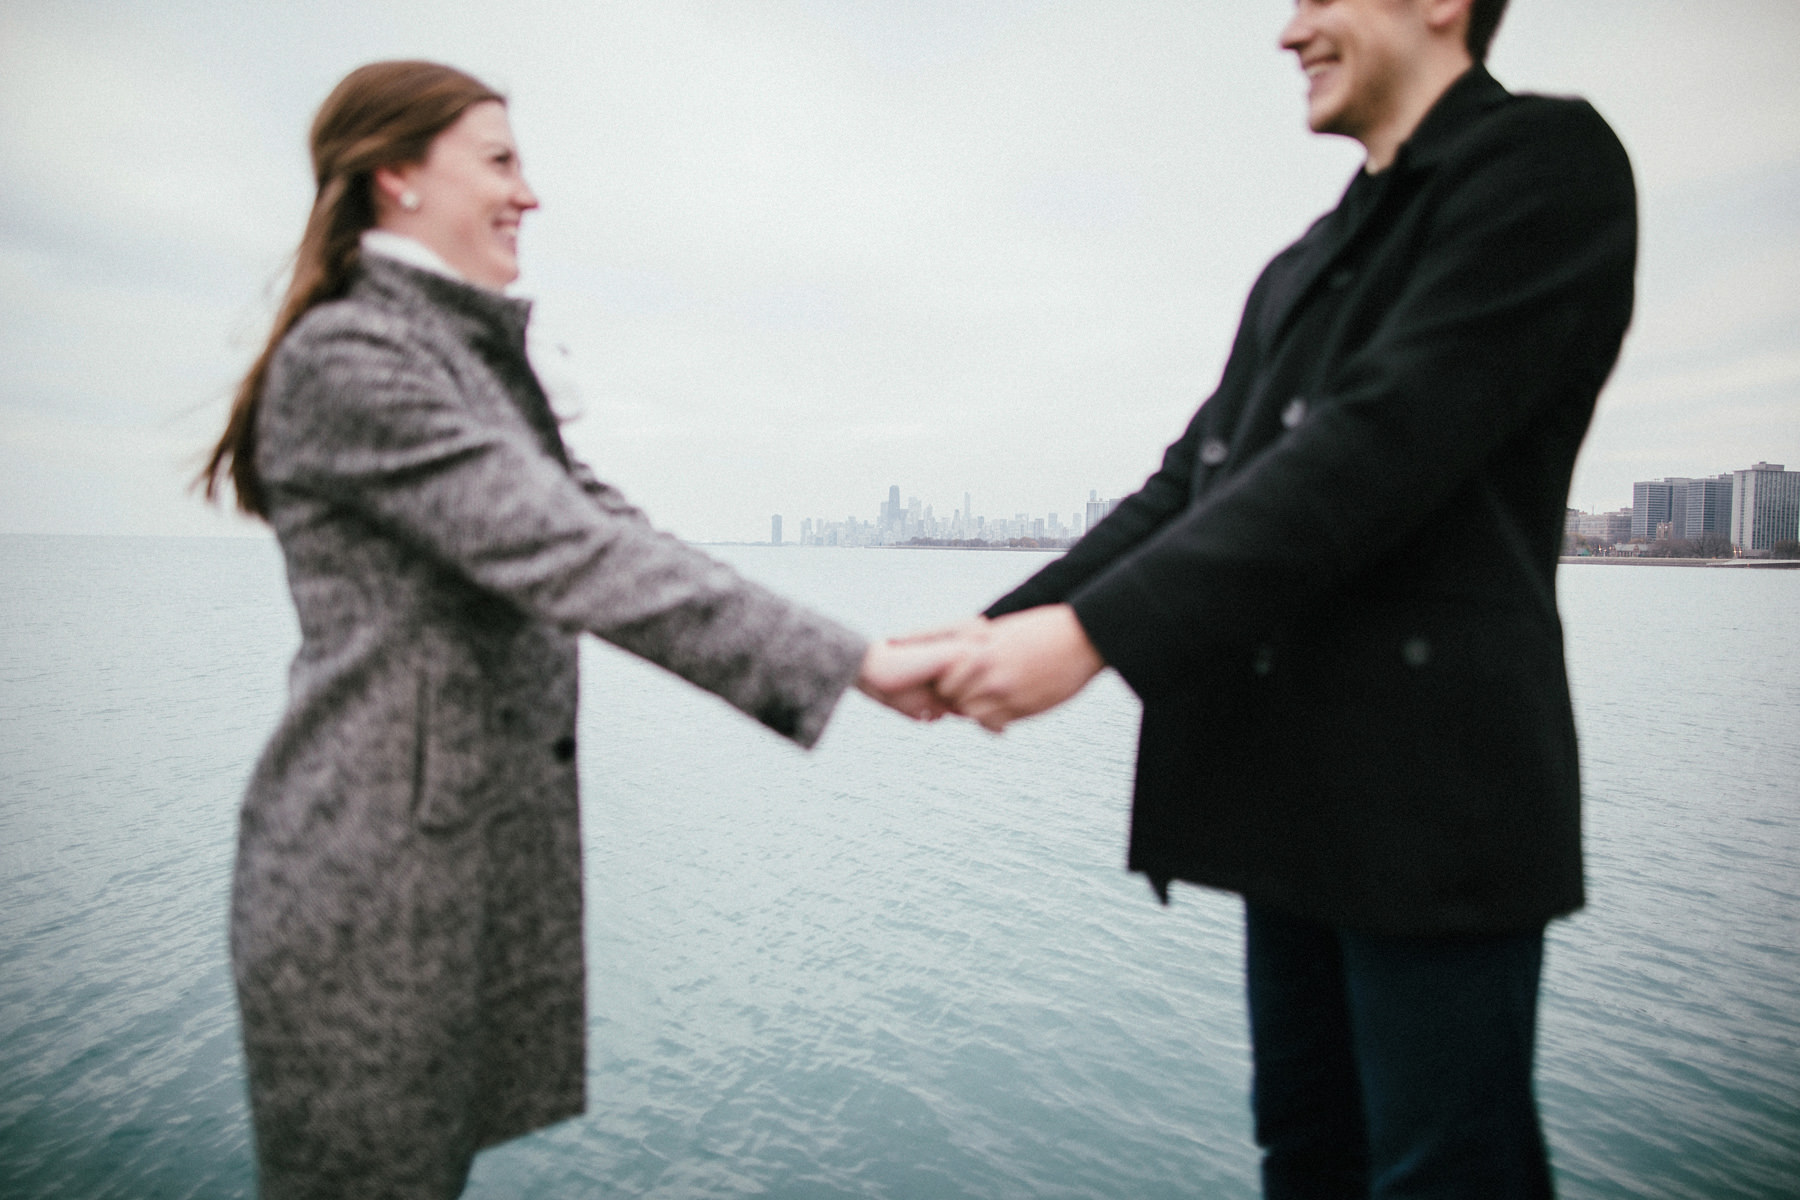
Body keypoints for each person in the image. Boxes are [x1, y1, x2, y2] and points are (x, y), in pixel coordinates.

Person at [199, 60, 952, 1199]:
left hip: (440, 879)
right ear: (396, 174)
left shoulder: (455, 359)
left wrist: (849, 652)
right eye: (500, 161)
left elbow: (611, 525)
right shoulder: (351, 359)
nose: (530, 195)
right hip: (363, 896)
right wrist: (852, 663)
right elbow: (573, 552)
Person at [924, 1, 1636, 1194]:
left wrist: (1095, 636)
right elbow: (1189, 485)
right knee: (1304, 1157)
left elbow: (1375, 447)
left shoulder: (1545, 169)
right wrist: (994, 632)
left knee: (1446, 1175)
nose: (1287, 29)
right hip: (1297, 798)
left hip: (1435, 802)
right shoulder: (1300, 266)